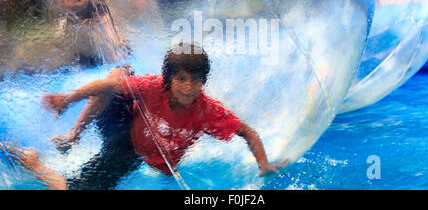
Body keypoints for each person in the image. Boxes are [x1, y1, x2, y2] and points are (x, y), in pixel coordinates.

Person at [6, 43, 287, 190]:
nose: (189, 86)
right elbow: (109, 86)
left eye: (197, 80)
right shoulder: (154, 87)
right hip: (122, 128)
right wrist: (67, 99)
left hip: (136, 151)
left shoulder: (207, 110)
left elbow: (247, 132)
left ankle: (49, 153)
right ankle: (59, 146)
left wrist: (263, 164)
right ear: (169, 79)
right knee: (117, 77)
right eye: (181, 78)